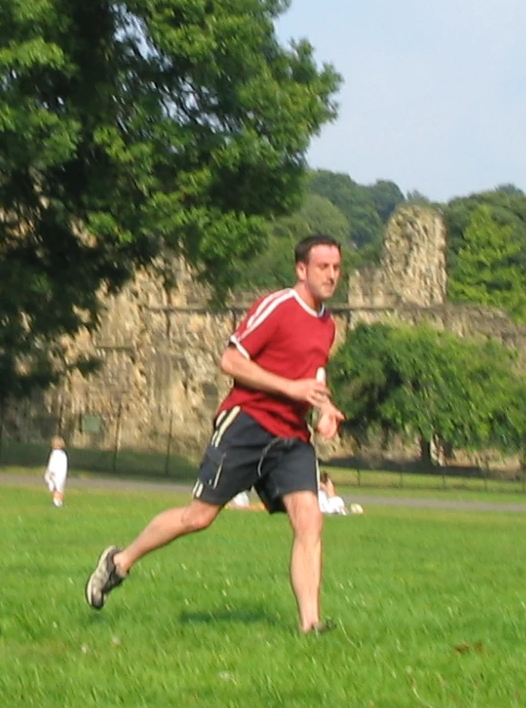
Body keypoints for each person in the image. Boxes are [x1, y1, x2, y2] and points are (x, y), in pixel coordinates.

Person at [86, 235, 344, 633]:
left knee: (310, 520)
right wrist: (289, 388)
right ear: (301, 270)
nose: (331, 275)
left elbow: (313, 378)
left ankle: (311, 624)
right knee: (198, 517)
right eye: (323, 267)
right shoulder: (276, 307)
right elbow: (230, 360)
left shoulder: (327, 324)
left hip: (292, 437)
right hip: (248, 424)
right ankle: (119, 562)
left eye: (337, 268)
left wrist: (326, 410)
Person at [45, 436, 70, 508]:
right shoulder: (63, 454)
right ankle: (60, 501)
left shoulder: (55, 454)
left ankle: (56, 501)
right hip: (62, 474)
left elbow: (52, 464)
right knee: (60, 488)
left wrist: (51, 472)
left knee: (55, 488)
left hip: (55, 474)